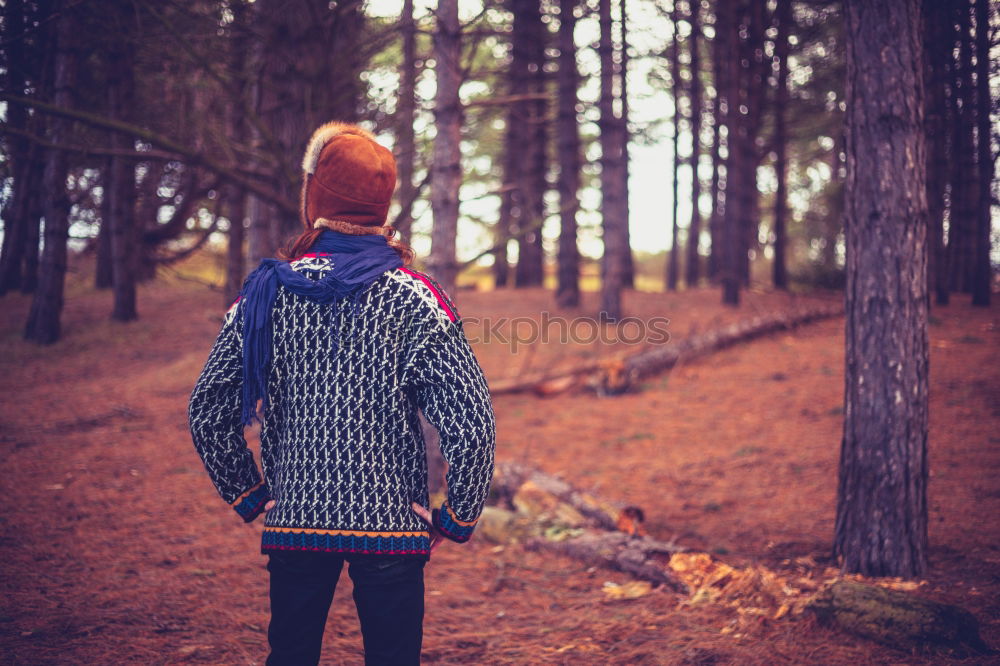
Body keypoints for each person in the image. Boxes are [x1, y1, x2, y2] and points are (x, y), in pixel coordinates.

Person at [188, 121, 496, 665]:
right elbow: (472, 423)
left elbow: (208, 410)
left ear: (316, 198)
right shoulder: (416, 298)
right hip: (393, 526)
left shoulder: (265, 292)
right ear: (382, 205)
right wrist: (457, 518)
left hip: (296, 520)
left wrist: (251, 495)